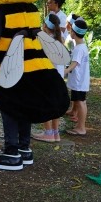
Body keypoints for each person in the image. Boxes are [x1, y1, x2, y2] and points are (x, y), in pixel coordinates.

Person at [33, 13, 66, 143]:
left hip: (48, 78)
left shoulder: (45, 41)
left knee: (44, 104)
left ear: (45, 25)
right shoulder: (60, 39)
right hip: (59, 77)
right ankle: (56, 133)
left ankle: (48, 133)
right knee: (55, 105)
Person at [65, 18, 90, 136]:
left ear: (74, 33)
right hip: (81, 81)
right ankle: (80, 125)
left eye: (71, 30)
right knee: (81, 102)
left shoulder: (79, 49)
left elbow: (74, 63)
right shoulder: (82, 46)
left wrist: (65, 71)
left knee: (81, 102)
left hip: (79, 81)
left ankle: (81, 128)